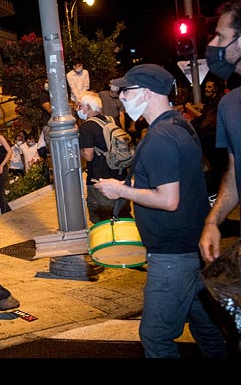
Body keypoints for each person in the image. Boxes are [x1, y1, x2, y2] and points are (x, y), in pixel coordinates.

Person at [94, 63, 228, 358]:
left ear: (146, 92)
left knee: (155, 336)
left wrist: (120, 190)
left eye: (126, 91)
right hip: (189, 249)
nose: (121, 97)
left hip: (172, 257)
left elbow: (169, 200)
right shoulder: (181, 125)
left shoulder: (160, 138)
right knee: (206, 329)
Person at [199, 0, 241, 265]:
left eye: (220, 37)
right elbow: (235, 172)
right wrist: (213, 220)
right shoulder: (229, 106)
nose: (212, 44)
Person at [77, 91, 131, 224]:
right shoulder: (113, 120)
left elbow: (88, 156)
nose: (77, 109)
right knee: (123, 214)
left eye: (80, 106)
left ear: (88, 107)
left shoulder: (87, 127)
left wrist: (77, 150)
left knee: (103, 221)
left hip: (100, 179)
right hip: (120, 176)